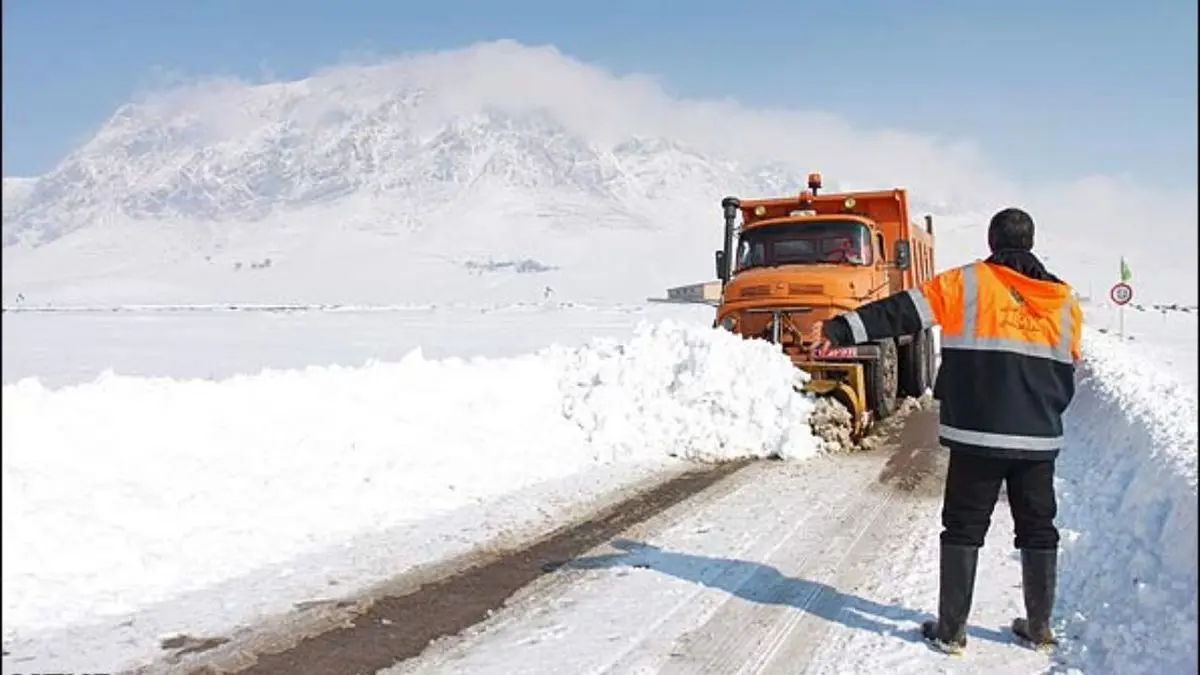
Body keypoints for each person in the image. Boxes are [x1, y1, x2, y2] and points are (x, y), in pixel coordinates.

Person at [810, 207, 1082, 655]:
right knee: (1038, 528)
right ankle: (1039, 629)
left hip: (978, 434)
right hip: (1038, 438)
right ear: (1030, 243)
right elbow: (1068, 364)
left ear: (992, 241)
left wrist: (842, 327)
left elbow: (901, 312)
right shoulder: (1066, 300)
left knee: (963, 527)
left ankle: (952, 632)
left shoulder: (968, 283)